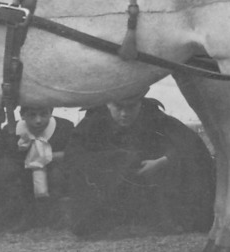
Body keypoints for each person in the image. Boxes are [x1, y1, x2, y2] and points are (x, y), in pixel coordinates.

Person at [62, 94, 214, 238]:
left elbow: (190, 144)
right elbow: (73, 157)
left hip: (149, 183)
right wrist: (115, 162)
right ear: (108, 105)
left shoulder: (152, 114)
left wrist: (162, 161)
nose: (124, 114)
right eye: (118, 108)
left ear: (140, 104)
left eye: (131, 108)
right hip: (108, 187)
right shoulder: (94, 120)